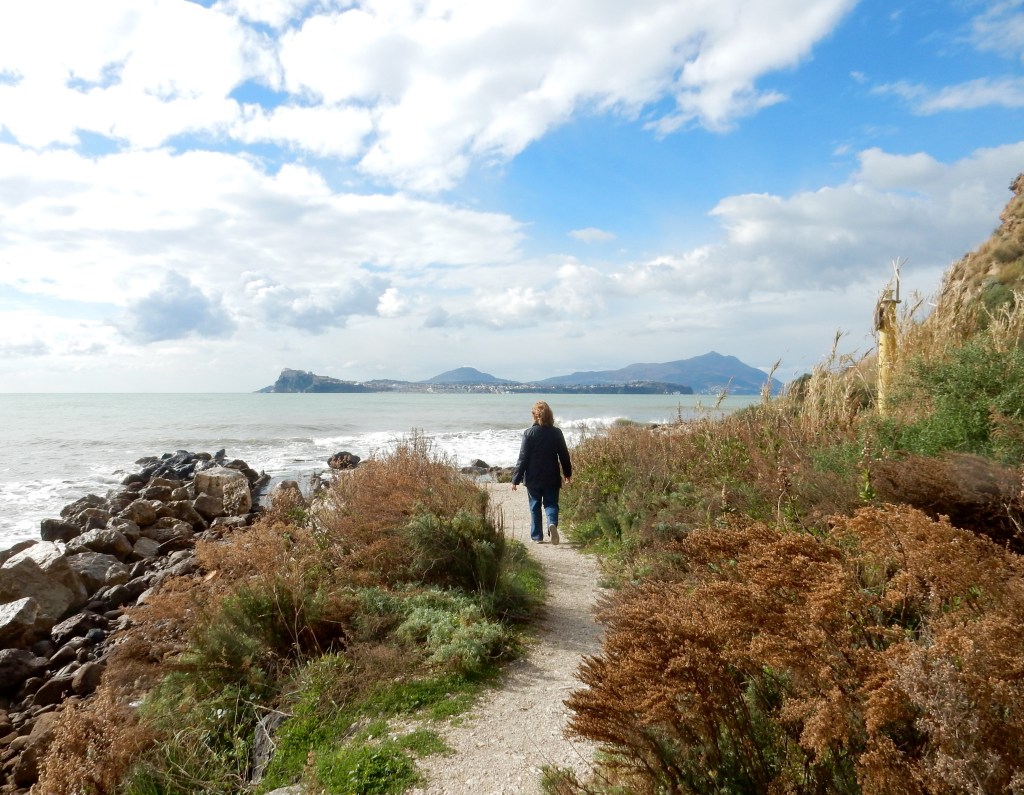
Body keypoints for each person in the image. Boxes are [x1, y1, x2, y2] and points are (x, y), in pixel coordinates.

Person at [511, 400, 572, 544]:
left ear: (534, 415)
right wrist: (567, 474)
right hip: (552, 476)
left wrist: (515, 479)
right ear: (550, 415)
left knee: (535, 506)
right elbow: (564, 455)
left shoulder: (529, 433)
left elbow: (523, 458)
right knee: (551, 504)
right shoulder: (556, 433)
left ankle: (537, 537)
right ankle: (552, 523)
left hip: (533, 477)